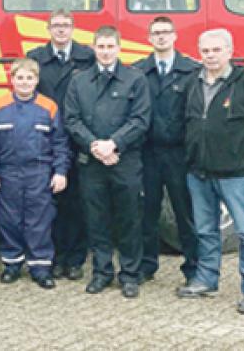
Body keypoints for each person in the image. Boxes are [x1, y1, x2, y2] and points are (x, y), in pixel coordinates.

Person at [178, 28, 244, 315]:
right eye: (205, 51)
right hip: (198, 171)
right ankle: (207, 279)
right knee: (206, 231)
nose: (210, 56)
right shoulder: (191, 83)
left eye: (216, 50)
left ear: (230, 51)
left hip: (235, 173)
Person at [64, 25, 151, 299]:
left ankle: (129, 274)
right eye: (100, 47)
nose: (104, 52)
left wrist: (113, 144)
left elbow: (140, 120)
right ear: (94, 48)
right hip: (91, 161)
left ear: (118, 48)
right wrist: (95, 146)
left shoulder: (135, 79)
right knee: (96, 220)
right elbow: (72, 120)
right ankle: (101, 272)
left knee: (129, 220)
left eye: (109, 47)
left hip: (124, 160)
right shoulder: (79, 81)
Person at [0, 58, 69, 289]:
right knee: (9, 220)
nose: (24, 82)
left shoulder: (48, 107)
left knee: (39, 221)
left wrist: (60, 172)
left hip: (38, 172)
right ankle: (12, 264)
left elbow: (60, 143)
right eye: (20, 78)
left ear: (36, 80)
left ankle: (40, 267)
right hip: (8, 172)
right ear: (12, 79)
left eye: (29, 78)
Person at [26, 9, 95, 281]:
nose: (61, 30)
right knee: (48, 203)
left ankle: (75, 259)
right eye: (56, 26)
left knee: (77, 202)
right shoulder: (35, 58)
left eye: (66, 25)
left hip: (79, 138)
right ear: (48, 29)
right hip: (44, 140)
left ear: (73, 28)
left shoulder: (87, 57)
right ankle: (51, 257)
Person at [133, 16, 198, 284]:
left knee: (185, 213)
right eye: (156, 33)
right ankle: (147, 265)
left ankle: (194, 268)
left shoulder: (191, 70)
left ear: (175, 36)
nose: (161, 37)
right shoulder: (138, 71)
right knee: (146, 212)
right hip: (148, 153)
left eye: (165, 32)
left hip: (178, 154)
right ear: (149, 38)